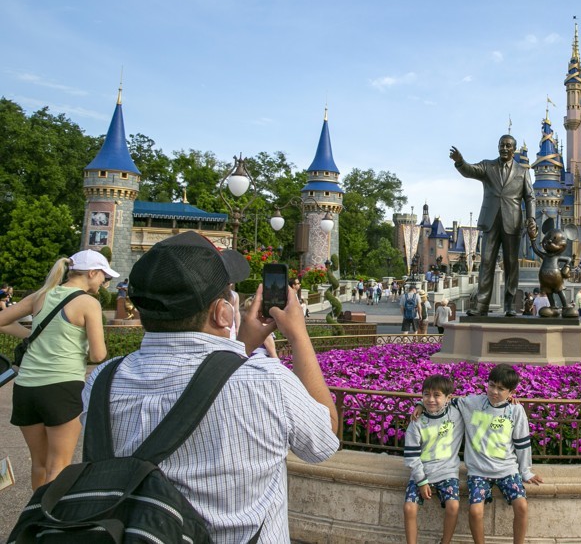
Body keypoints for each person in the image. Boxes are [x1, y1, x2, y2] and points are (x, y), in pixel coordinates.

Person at [82, 231, 339, 542]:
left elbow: (207, 384)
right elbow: (324, 439)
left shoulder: (102, 381)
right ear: (222, 312)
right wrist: (298, 335)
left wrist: (242, 344)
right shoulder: (268, 381)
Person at [0, 250, 113, 488]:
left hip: (25, 388)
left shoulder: (40, 296)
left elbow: (3, 320)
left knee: (39, 465)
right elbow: (98, 354)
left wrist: (30, 335)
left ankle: (33, 519)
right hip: (62, 388)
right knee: (58, 466)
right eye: (104, 276)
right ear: (92, 273)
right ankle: (49, 521)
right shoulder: (88, 303)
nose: (105, 282)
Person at [451, 136, 538, 316]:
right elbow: (470, 170)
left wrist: (532, 219)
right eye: (501, 145)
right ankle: (481, 305)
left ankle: (509, 306)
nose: (504, 148)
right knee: (486, 262)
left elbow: (530, 197)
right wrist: (460, 162)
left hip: (512, 222)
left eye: (508, 146)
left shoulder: (522, 171)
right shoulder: (487, 166)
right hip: (490, 222)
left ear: (514, 149)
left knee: (511, 265)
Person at [459, 363, 542, 544]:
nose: (494, 391)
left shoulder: (515, 410)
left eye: (501, 389)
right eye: (491, 385)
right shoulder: (471, 403)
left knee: (521, 506)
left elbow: (522, 443)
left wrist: (526, 470)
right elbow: (444, 402)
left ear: (511, 392)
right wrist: (420, 404)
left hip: (507, 470)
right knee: (475, 511)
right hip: (478, 471)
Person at [403, 374, 463, 544]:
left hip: (447, 472)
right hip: (421, 472)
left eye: (437, 395)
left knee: (453, 506)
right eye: (426, 395)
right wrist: (421, 481)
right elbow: (412, 455)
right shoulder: (417, 421)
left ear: (447, 398)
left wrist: (509, 399)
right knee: (409, 508)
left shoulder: (456, 413)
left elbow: (482, 401)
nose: (431, 399)